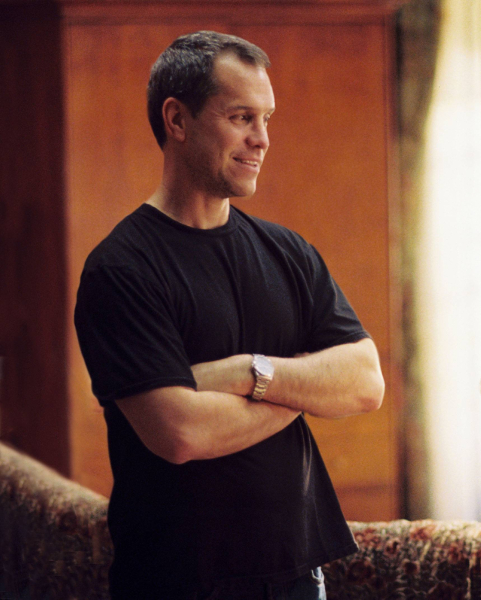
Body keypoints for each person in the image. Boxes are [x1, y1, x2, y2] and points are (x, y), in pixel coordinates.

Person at [74, 31, 384, 600]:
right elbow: (181, 432)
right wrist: (306, 386)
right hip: (176, 583)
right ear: (177, 119)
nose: (262, 139)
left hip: (299, 575)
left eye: (266, 119)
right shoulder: (120, 268)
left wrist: (249, 372)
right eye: (241, 117)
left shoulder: (288, 251)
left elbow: (365, 383)